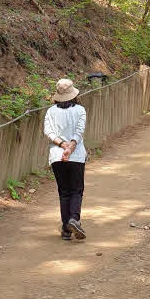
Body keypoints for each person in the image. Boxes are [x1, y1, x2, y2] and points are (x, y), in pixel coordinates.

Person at [44, 78, 87, 241]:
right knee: (76, 190)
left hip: (57, 156)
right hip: (76, 156)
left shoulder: (50, 111)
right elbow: (79, 130)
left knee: (64, 192)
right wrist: (71, 146)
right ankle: (74, 219)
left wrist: (62, 145)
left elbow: (48, 131)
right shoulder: (80, 110)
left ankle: (66, 229)